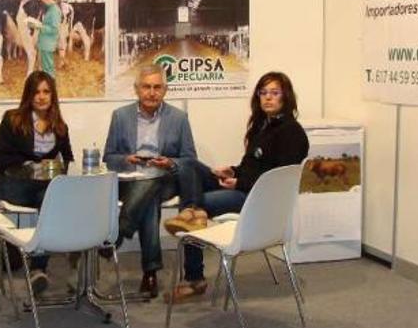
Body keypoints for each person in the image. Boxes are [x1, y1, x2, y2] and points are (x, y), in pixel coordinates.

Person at [163, 72, 309, 302]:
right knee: (188, 165)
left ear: (286, 97)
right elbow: (251, 167)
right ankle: (193, 212)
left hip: (256, 200)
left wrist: (240, 182)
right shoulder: (262, 127)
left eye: (274, 93)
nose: (267, 98)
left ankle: (194, 278)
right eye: (263, 93)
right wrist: (233, 171)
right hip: (243, 187)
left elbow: (274, 182)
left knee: (195, 204)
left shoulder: (292, 133)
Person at [102, 64, 197, 297]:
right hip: (130, 181)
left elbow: (190, 159)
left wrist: (169, 163)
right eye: (146, 87)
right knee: (149, 200)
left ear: (165, 90)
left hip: (165, 179)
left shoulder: (179, 118)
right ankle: (150, 271)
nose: (151, 92)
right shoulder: (120, 116)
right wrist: (128, 159)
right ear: (137, 89)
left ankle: (119, 231)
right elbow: (109, 157)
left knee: (153, 183)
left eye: (157, 87)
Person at [0, 71, 73, 293]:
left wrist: (60, 167)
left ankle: (38, 269)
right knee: (50, 199)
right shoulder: (12, 119)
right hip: (14, 185)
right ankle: (73, 251)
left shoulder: (60, 126)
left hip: (43, 188)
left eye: (46, 91)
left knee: (51, 198)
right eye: (36, 92)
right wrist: (29, 164)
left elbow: (69, 159)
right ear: (28, 95)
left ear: (53, 95)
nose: (41, 97)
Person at [32, 0, 62, 77]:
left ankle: (50, 83)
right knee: (47, 66)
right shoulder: (51, 8)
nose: (43, 2)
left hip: (48, 43)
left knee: (48, 68)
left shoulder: (54, 10)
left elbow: (54, 29)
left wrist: (40, 26)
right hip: (46, 43)